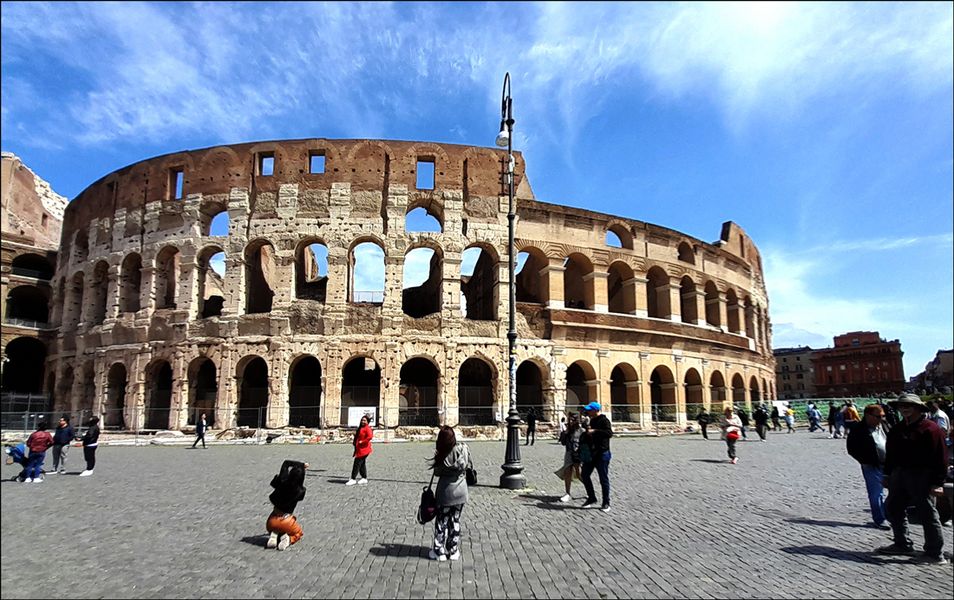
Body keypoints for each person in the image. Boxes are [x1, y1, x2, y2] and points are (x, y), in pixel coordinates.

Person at [876, 394, 949, 565]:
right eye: (902, 406)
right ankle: (902, 543)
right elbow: (891, 454)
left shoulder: (931, 429)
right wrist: (887, 474)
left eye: (909, 406)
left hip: (922, 475)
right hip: (900, 474)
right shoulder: (898, 429)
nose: (905, 409)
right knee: (893, 507)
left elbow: (941, 458)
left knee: (927, 512)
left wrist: (938, 483)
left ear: (918, 408)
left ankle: (934, 553)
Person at [429, 426, 473, 561]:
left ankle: (439, 551)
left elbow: (437, 473)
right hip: (461, 491)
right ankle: (453, 550)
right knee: (455, 520)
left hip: (445, 492)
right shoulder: (464, 449)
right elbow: (469, 464)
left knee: (442, 520)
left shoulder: (443, 453)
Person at [846, 404, 890, 529]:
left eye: (883, 416)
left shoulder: (885, 425)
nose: (881, 418)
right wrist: (865, 460)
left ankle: (889, 513)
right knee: (876, 493)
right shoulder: (858, 429)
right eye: (878, 416)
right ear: (868, 416)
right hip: (871, 465)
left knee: (896, 490)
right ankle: (880, 519)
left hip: (889, 464)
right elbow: (852, 448)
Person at [266, 459, 308, 551]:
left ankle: (275, 534)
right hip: (287, 521)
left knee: (275, 525)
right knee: (298, 533)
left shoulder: (282, 480)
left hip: (271, 521)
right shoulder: (301, 491)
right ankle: (288, 539)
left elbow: (286, 463)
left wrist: (301, 464)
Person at [579, 401, 613, 512]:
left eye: (589, 410)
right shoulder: (591, 420)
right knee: (584, 474)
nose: (587, 411)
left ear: (595, 410)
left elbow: (609, 433)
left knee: (603, 478)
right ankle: (592, 498)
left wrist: (595, 431)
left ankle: (606, 502)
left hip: (602, 453)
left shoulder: (604, 420)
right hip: (591, 453)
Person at [555, 413, 583, 503]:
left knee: (579, 473)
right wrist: (565, 434)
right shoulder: (568, 431)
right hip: (568, 453)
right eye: (569, 420)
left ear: (576, 421)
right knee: (567, 472)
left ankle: (589, 489)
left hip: (578, 455)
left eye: (572, 420)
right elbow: (563, 443)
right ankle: (567, 493)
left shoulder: (581, 431)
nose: (570, 422)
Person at [346, 414, 373, 485]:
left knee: (357, 464)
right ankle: (364, 478)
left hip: (364, 449)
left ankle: (353, 478)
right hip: (359, 449)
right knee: (362, 464)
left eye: (364, 420)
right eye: (362, 420)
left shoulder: (367, 428)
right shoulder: (361, 427)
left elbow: (370, 437)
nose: (362, 421)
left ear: (368, 422)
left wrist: (362, 441)